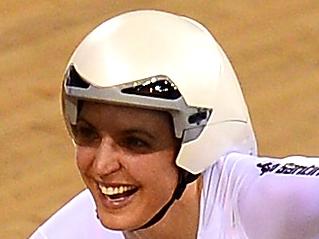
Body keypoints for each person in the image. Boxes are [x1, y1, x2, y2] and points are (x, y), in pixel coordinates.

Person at [30, 10, 319, 239]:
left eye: (135, 142)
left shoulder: (262, 201)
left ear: (196, 145)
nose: (102, 166)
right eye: (88, 135)